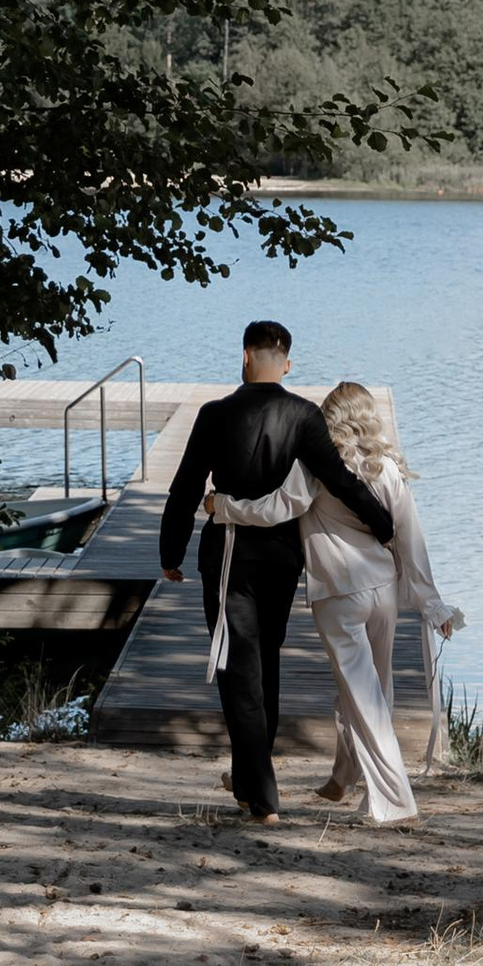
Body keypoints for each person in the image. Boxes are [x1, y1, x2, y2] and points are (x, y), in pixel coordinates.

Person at [157, 321, 390, 824]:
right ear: (285, 363)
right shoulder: (304, 415)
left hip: (230, 556)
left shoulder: (215, 415)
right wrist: (384, 524)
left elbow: (184, 487)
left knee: (237, 668)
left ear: (245, 357)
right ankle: (248, 781)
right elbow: (342, 480)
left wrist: (170, 551)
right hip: (284, 558)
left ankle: (263, 797)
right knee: (263, 661)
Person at [304, 382, 461, 825]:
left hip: (338, 592)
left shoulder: (315, 469)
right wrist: (433, 605)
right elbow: (411, 540)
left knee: (363, 697)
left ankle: (395, 802)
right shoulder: (387, 469)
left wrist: (228, 507)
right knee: (374, 692)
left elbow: (281, 506)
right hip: (382, 592)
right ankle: (344, 775)